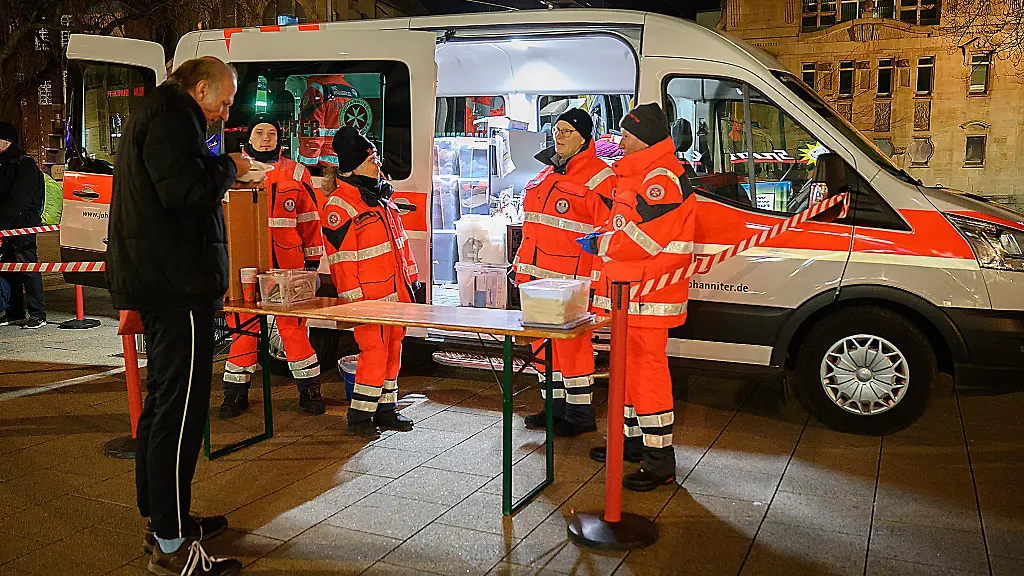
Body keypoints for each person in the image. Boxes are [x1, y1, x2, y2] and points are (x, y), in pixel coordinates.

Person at [106, 56, 252, 575]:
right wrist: (230, 168)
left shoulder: (159, 113)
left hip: (165, 281)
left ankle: (167, 517)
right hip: (176, 286)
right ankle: (171, 545)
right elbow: (183, 192)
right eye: (226, 99)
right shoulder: (171, 116)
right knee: (180, 411)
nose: (226, 110)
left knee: (166, 404)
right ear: (202, 87)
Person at [579, 103, 696, 492]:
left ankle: (660, 459)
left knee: (647, 375)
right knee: (629, 372)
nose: (620, 138)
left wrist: (601, 242)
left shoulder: (659, 176)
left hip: (650, 292)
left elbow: (643, 238)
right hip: (633, 294)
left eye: (627, 133)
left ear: (643, 136)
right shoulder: (639, 172)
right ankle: (632, 444)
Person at [513, 108, 614, 437]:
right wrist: (519, 267)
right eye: (557, 129)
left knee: (573, 348)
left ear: (585, 137)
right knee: (543, 346)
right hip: (538, 282)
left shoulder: (600, 178)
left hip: (572, 284)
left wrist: (599, 291)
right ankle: (553, 408)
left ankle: (579, 414)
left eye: (568, 131)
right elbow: (534, 228)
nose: (559, 136)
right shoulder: (547, 173)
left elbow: (607, 239)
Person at [220, 114, 326, 418]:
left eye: (271, 133)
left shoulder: (296, 172)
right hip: (243, 262)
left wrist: (313, 263)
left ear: (279, 138)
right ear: (248, 137)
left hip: (288, 264)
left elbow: (310, 220)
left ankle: (310, 392)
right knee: (243, 326)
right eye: (259, 132)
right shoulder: (232, 171)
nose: (266, 138)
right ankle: (234, 394)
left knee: (292, 328)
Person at [320, 127, 418, 437]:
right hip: (369, 300)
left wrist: (411, 281)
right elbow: (342, 263)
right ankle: (360, 416)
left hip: (393, 294)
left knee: (392, 350)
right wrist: (356, 304)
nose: (378, 164)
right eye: (372, 158)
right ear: (354, 164)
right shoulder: (339, 206)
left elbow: (400, 245)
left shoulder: (378, 197)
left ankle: (386, 409)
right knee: (374, 353)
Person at [0, 122, 47, 329]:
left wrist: (3, 221)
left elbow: (18, 199)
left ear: (6, 141)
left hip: (23, 225)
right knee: (10, 268)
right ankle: (14, 311)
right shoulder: (4, 163)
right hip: (8, 225)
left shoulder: (24, 163)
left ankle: (38, 313)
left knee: (28, 267)